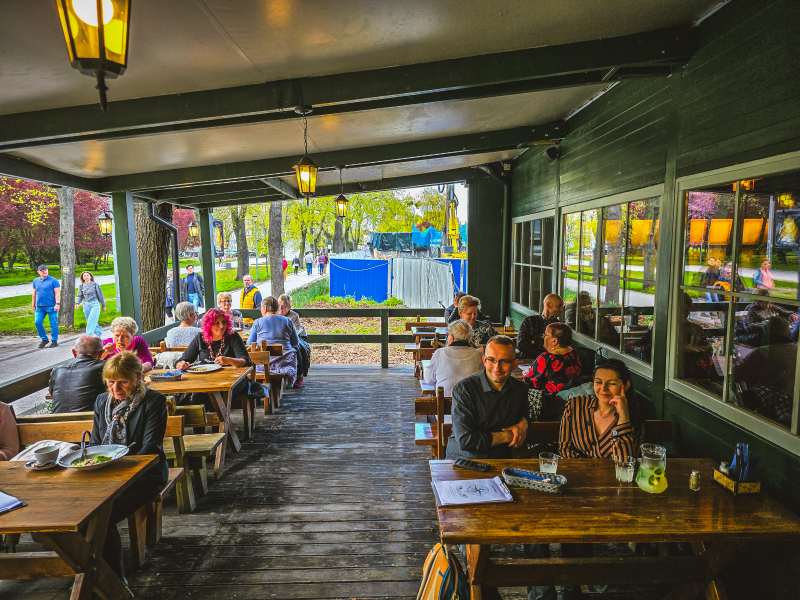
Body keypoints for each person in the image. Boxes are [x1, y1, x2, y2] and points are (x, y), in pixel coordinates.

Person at [527, 359, 644, 600]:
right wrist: (588, 470)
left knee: (577, 517)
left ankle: (573, 583)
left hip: (610, 492)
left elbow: (623, 463)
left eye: (611, 384)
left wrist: (622, 416)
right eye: (598, 382)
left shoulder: (632, 420)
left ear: (626, 386)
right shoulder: (577, 405)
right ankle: (546, 589)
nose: (603, 389)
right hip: (573, 482)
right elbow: (565, 448)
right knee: (538, 521)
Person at [90, 351, 168, 581]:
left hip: (145, 474)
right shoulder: (102, 401)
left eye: (123, 381)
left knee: (103, 514)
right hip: (105, 474)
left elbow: (150, 449)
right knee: (81, 513)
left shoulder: (153, 401)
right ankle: (91, 569)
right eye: (111, 381)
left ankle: (113, 580)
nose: (116, 388)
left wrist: (119, 476)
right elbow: (96, 443)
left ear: (137, 378)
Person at [446, 335, 529, 461]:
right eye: (491, 360)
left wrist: (525, 422)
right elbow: (466, 441)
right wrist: (507, 436)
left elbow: (525, 413)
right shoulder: (465, 389)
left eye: (504, 361)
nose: (497, 368)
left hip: (501, 461)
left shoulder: (520, 389)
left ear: (515, 364)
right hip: (464, 462)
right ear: (484, 361)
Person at [176, 309, 255, 405]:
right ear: (208, 325)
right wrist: (182, 364)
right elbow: (184, 360)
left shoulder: (233, 337)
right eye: (216, 323)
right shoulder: (200, 338)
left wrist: (229, 360)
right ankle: (204, 419)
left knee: (217, 395)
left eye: (224, 322)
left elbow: (245, 361)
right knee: (197, 396)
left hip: (234, 380)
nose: (222, 326)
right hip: (206, 381)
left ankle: (220, 419)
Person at [423, 320, 484, 397]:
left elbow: (428, 380)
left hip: (445, 406)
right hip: (472, 406)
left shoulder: (439, 354)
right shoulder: (479, 355)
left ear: (451, 337)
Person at [247, 296, 299, 387]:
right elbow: (295, 343)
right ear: (277, 308)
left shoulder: (258, 322)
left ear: (265, 308)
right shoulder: (288, 321)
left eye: (261, 308)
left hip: (263, 364)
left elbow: (249, 343)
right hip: (285, 362)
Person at [49, 334, 107, 413]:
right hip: (88, 420)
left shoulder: (58, 369)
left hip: (54, 421)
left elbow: (53, 393)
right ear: (101, 353)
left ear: (74, 352)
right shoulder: (105, 367)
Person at [522, 323, 581, 395]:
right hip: (569, 396)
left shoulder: (547, 358)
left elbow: (531, 383)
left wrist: (526, 373)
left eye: (545, 335)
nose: (543, 337)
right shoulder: (573, 353)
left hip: (549, 399)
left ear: (554, 341)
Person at [278, 294, 310, 387]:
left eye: (283, 307)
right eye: (279, 306)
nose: (281, 309)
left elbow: (296, 330)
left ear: (289, 307)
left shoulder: (294, 315)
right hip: (278, 338)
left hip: (292, 337)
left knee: (298, 348)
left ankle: (300, 375)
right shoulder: (275, 314)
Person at [517, 294, 564, 358]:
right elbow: (521, 344)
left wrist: (534, 342)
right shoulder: (530, 321)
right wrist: (543, 355)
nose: (562, 309)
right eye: (559, 306)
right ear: (548, 305)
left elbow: (560, 347)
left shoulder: (559, 325)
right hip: (526, 360)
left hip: (549, 363)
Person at [31, 265, 61, 348]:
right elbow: (34, 293)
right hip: (39, 306)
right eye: (42, 270)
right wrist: (33, 304)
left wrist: (57, 304)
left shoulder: (53, 280)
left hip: (51, 306)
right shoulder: (36, 281)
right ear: (38, 272)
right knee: (37, 322)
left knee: (53, 324)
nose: (44, 271)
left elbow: (57, 293)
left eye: (45, 270)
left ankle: (54, 341)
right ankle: (44, 339)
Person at [76, 270, 106, 337]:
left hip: (95, 304)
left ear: (90, 277)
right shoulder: (81, 286)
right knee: (91, 321)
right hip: (86, 304)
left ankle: (89, 336)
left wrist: (103, 306)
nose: (86, 277)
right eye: (84, 276)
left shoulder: (95, 285)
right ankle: (99, 334)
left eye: (87, 275)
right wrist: (77, 303)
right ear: (83, 278)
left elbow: (100, 296)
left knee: (91, 320)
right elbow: (80, 296)